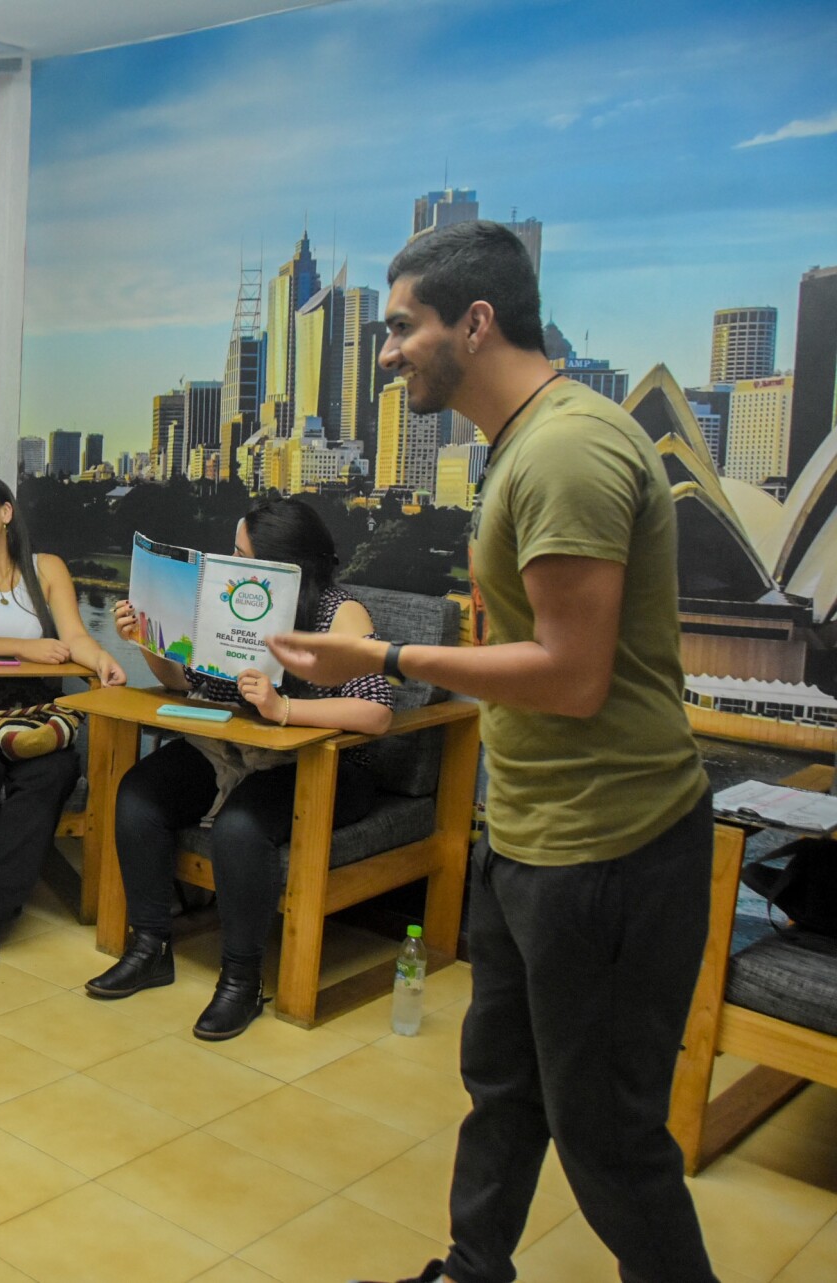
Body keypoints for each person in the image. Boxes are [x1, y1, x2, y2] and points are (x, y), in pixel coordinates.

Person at [270, 222, 718, 1283]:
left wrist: (380, 655)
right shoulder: (521, 442)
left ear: (475, 322)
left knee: (607, 1136)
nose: (387, 352)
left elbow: (572, 674)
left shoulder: (566, 450)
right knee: (503, 1087)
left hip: (609, 847)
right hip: (527, 833)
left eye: (401, 327)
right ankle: (474, 1269)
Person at [86, 498, 391, 1040]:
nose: (228, 562)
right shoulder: (226, 601)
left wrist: (284, 708)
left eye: (241, 555)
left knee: (240, 829)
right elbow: (182, 682)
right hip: (231, 750)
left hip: (319, 766)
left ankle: (241, 981)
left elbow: (376, 711)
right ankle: (149, 947)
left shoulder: (339, 614)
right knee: (138, 795)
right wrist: (145, 641)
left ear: (282, 564)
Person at [0, 474, 126, 971]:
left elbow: (74, 637)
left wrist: (102, 660)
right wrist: (24, 647)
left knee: (56, 770)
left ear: (6, 512)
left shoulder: (46, 567)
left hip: (31, 710)